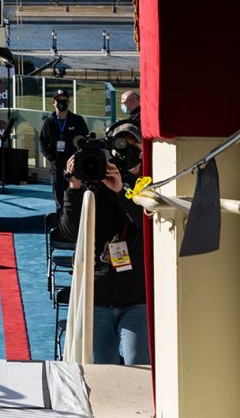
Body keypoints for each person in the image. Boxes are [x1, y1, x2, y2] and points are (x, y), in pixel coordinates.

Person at [62, 152, 150, 366]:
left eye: (132, 148)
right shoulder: (91, 192)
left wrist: (121, 191)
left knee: (139, 365)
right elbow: (71, 233)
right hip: (96, 298)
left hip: (135, 299)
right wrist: (74, 187)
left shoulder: (146, 188)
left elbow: (148, 224)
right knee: (102, 372)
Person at [39, 90, 89, 210]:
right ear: (53, 103)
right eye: (59, 100)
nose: (62, 103)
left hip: (74, 165)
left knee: (77, 196)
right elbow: (42, 142)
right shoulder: (49, 122)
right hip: (57, 166)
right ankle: (61, 223)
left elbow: (85, 140)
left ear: (69, 102)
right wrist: (51, 158)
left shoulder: (77, 120)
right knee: (59, 198)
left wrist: (79, 158)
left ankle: (75, 224)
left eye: (64, 100)